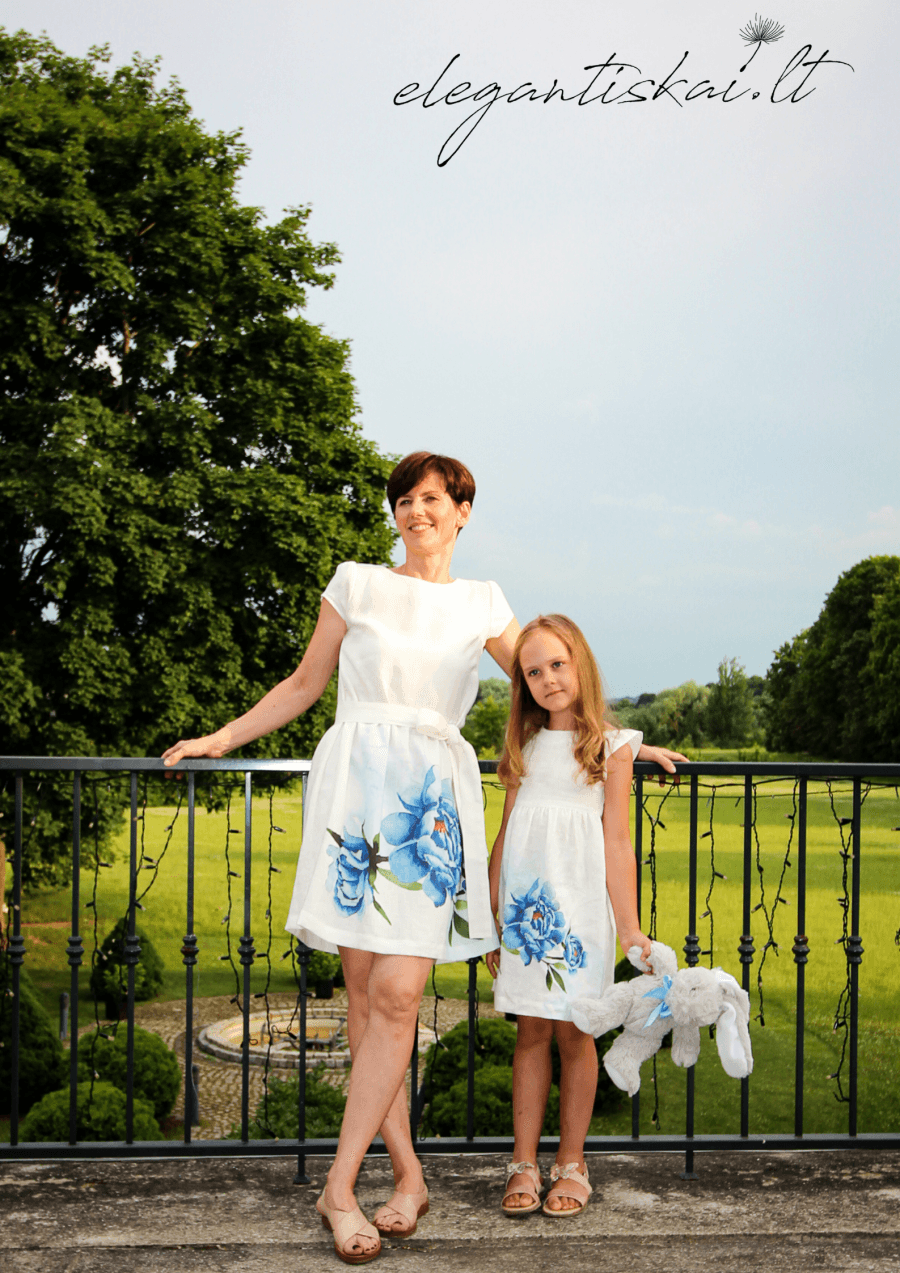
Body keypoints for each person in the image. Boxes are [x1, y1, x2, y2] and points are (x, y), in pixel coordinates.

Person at [163, 453, 683, 1263]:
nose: (416, 511)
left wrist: (624, 742)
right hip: (356, 799)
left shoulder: (483, 603)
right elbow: (305, 683)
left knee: (401, 992)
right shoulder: (356, 583)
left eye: (432, 498)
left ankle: (338, 1185)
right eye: (403, 500)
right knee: (370, 1001)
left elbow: (552, 677)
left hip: (432, 807)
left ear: (464, 510)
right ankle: (406, 1175)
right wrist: (221, 737)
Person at [486, 614, 653, 1219]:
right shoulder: (522, 747)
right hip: (526, 917)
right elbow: (505, 836)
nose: (548, 679)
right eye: (533, 671)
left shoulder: (612, 748)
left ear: (580, 663)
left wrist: (629, 927)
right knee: (530, 1034)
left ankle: (572, 1163)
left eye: (558, 664)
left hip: (579, 915)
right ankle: (523, 1163)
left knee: (576, 1034)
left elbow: (616, 844)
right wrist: (490, 914)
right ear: (522, 684)